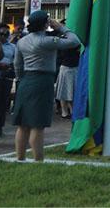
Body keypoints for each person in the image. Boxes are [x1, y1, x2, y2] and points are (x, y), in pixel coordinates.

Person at [12, 11, 81, 161]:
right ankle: (38, 159)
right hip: (42, 80)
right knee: (38, 123)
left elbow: (17, 64)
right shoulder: (46, 41)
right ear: (45, 24)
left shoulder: (22, 41)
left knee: (23, 123)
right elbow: (74, 41)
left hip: (26, 80)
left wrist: (20, 78)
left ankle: (20, 158)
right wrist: (61, 27)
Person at [0, 28, 16, 137]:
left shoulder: (12, 47)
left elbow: (15, 61)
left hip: (5, 78)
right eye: (0, 34)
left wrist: (9, 68)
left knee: (3, 104)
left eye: (5, 34)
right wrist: (0, 65)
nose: (2, 36)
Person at [55, 44, 79, 119]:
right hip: (69, 67)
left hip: (66, 67)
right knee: (71, 91)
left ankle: (64, 111)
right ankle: (69, 111)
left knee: (64, 91)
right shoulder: (75, 42)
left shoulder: (62, 41)